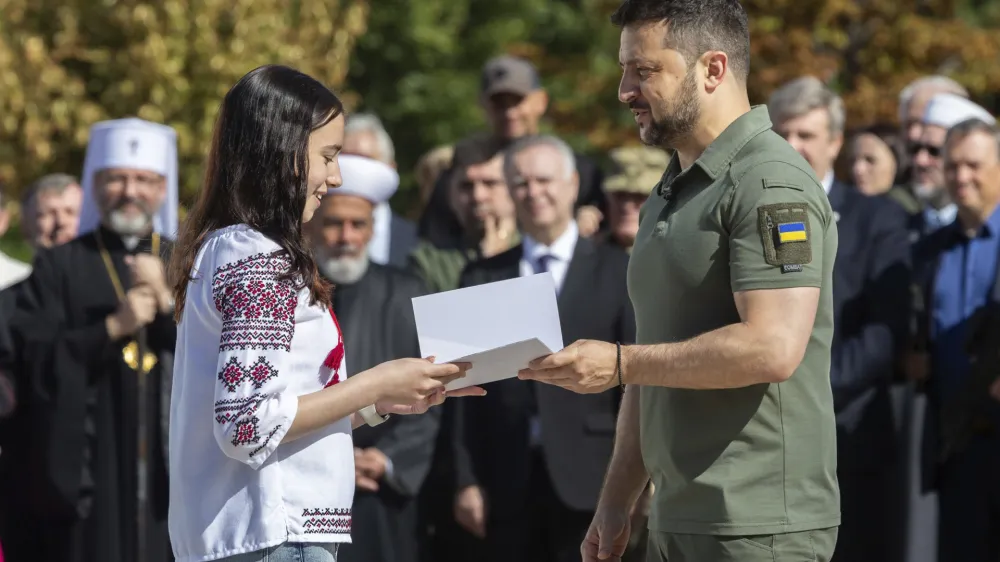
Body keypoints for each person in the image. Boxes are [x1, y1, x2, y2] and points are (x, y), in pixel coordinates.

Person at [520, 1, 841, 561]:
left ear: (713, 69)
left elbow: (773, 346)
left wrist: (619, 364)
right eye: (625, 70)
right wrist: (618, 498)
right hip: (680, 515)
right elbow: (657, 353)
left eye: (645, 71)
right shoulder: (673, 188)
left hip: (756, 525)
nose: (624, 90)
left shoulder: (771, 181)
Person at [165, 64, 483, 562]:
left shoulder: (236, 249)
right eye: (329, 156)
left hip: (269, 530)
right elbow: (247, 425)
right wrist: (375, 383)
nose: (335, 177)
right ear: (283, 151)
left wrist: (385, 402)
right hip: (271, 533)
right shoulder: (255, 259)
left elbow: (276, 411)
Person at [1, 117, 180, 562]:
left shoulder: (186, 259)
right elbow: (35, 360)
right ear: (95, 185)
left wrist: (164, 299)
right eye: (116, 178)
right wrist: (110, 328)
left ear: (162, 188)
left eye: (144, 179)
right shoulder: (59, 266)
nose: (129, 190)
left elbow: (219, 354)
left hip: (169, 462)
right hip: (91, 460)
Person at [451, 134, 635, 562]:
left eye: (543, 180)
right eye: (521, 183)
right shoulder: (481, 275)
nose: (534, 192)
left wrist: (635, 484)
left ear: (572, 184)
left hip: (593, 477)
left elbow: (636, 384)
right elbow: (462, 390)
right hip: (506, 479)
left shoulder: (619, 271)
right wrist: (465, 478)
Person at [769, 76, 913, 562]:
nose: (792, 146)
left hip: (848, 440)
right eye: (783, 134)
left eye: (806, 135)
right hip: (766, 444)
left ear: (835, 142)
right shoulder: (752, 211)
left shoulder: (879, 219)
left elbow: (884, 331)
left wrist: (808, 387)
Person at [305, 154, 440, 562]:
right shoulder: (291, 293)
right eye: (334, 223)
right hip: (306, 483)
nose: (346, 236)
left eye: (357, 224)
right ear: (312, 225)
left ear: (371, 229)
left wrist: (383, 460)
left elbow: (433, 390)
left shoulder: (408, 291)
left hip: (381, 491)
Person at [910, 118, 1000, 562]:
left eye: (974, 165)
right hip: (953, 447)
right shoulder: (928, 250)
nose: (961, 176)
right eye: (953, 165)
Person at [342, 113, 419, 268]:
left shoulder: (419, 241)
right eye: (345, 160)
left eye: (365, 161)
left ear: (390, 169)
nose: (354, 171)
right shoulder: (307, 236)